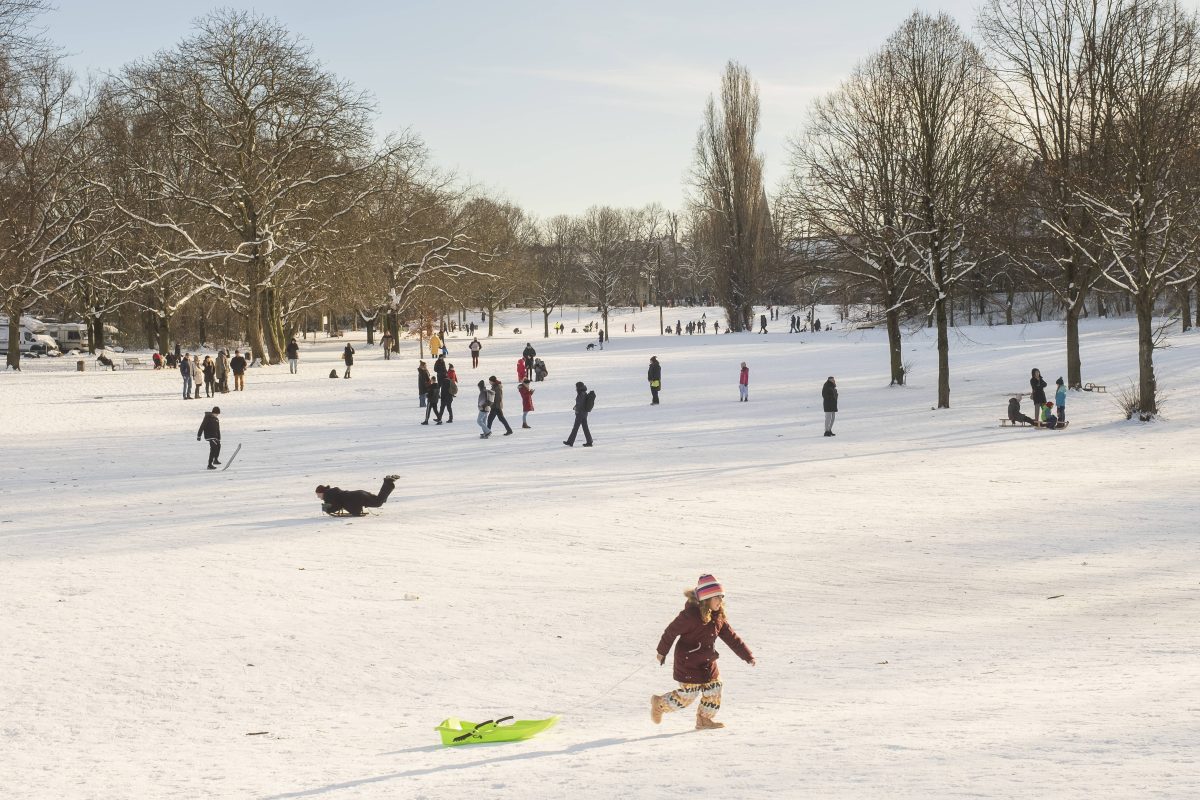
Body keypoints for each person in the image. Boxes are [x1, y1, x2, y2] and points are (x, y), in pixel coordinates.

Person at [651, 574, 755, 731]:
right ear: (706, 599)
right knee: (688, 696)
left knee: (715, 688)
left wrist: (747, 655)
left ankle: (704, 720)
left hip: (707, 662)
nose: (720, 601)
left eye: (721, 597)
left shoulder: (718, 617)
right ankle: (660, 704)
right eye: (716, 598)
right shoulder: (690, 616)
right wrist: (662, 651)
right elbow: (670, 632)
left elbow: (732, 638)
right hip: (688, 662)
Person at [316, 475, 399, 517]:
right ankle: (388, 483)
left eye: (318, 495)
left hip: (358, 498)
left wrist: (328, 510)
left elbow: (338, 505)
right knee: (378, 501)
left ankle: (387, 483)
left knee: (378, 502)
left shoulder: (328, 495)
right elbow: (338, 502)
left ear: (322, 492)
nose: (318, 497)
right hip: (359, 493)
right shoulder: (331, 493)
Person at [563, 381, 593, 447]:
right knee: (585, 428)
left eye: (576, 387)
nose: (576, 388)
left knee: (575, 428)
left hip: (580, 414)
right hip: (584, 413)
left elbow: (580, 403)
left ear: (579, 387)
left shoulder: (581, 393)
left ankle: (570, 442)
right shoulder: (583, 392)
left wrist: (576, 409)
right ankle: (589, 442)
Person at [196, 406, 221, 470]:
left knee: (218, 445)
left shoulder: (216, 419)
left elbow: (218, 429)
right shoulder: (207, 417)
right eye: (217, 413)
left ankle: (215, 459)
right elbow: (202, 426)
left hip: (214, 436)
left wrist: (219, 437)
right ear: (214, 412)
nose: (217, 415)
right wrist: (199, 435)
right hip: (209, 436)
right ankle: (209, 465)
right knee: (214, 448)